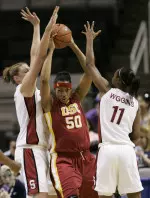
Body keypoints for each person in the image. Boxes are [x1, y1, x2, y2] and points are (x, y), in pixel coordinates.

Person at [3, 6, 59, 198]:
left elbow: (35, 55)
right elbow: (39, 57)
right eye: (26, 71)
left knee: (42, 195)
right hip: (29, 149)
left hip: (40, 149)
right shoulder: (23, 89)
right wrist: (47, 29)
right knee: (39, 196)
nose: (30, 71)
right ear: (18, 79)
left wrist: (36, 27)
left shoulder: (32, 90)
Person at [82, 21, 143, 198]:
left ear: (118, 80)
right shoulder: (135, 102)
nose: (113, 74)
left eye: (115, 73)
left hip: (107, 150)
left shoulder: (107, 91)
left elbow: (89, 65)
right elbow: (136, 136)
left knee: (105, 195)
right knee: (134, 195)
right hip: (126, 150)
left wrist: (89, 40)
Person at [40, 31, 99, 197]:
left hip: (87, 158)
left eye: (66, 90)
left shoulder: (77, 97)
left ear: (70, 89)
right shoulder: (50, 104)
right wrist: (51, 51)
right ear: (55, 89)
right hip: (64, 160)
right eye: (59, 90)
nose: (63, 94)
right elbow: (44, 80)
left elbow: (89, 71)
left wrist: (72, 44)